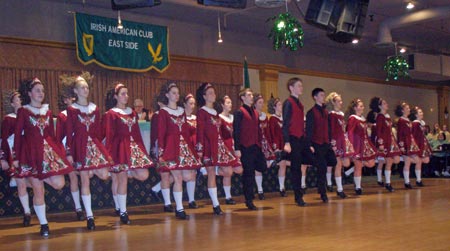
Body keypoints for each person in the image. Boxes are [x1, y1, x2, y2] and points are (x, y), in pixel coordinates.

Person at [13, 78, 73, 237]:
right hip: (31, 153)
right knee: (39, 190)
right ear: (29, 93)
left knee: (59, 183)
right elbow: (18, 135)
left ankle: (29, 179)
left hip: (47, 154)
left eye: (43, 90)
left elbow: (52, 136)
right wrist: (16, 157)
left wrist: (59, 154)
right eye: (38, 90)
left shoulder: (47, 111)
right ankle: (44, 224)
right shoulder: (23, 111)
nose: (41, 93)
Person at [64, 73, 113, 229]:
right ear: (76, 91)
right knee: (85, 179)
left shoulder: (94, 108)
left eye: (86, 87)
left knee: (105, 174)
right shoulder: (72, 109)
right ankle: (89, 215)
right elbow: (70, 131)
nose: (85, 90)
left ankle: (91, 170)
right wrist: (69, 152)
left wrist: (102, 149)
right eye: (82, 88)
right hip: (80, 145)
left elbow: (98, 131)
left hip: (94, 144)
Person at [104, 82, 153, 224]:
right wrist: (109, 154)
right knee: (121, 178)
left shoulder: (131, 112)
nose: (126, 96)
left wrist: (142, 152)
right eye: (123, 94)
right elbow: (109, 135)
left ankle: (128, 173)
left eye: (127, 93)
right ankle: (122, 211)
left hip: (133, 148)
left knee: (143, 174)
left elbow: (137, 133)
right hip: (119, 148)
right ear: (116, 97)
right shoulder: (111, 114)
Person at [157, 83, 202, 219]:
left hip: (183, 147)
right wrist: (161, 152)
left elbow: (186, 132)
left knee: (186, 177)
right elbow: (161, 133)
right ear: (167, 95)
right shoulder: (163, 112)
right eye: (173, 93)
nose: (176, 95)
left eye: (177, 93)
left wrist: (191, 149)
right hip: (171, 147)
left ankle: (179, 206)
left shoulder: (182, 111)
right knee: (177, 177)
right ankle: (180, 209)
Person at [196, 83, 239, 215]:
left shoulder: (216, 113)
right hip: (208, 146)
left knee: (228, 170)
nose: (212, 95)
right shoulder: (202, 112)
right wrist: (200, 149)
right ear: (204, 96)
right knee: (211, 174)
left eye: (213, 93)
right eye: (209, 93)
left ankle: (203, 171)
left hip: (219, 146)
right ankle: (216, 204)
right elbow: (200, 132)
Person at [1, 90, 32, 227]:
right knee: (21, 182)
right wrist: (3, 158)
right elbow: (4, 140)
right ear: (13, 103)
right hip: (15, 153)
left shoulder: (29, 115)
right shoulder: (9, 119)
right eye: (18, 99)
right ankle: (27, 212)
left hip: (29, 153)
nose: (21, 100)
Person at [56, 77, 84, 221]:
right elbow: (60, 136)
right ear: (65, 101)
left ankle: (86, 204)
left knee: (85, 175)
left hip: (80, 147)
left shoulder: (82, 111)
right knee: (73, 176)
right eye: (68, 98)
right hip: (68, 148)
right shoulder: (63, 116)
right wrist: (66, 153)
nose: (72, 100)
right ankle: (78, 208)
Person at [233, 88, 266, 210]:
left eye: (252, 95)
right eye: (249, 95)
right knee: (248, 174)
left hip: (255, 146)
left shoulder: (255, 112)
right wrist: (237, 148)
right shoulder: (239, 112)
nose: (252, 97)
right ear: (243, 98)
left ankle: (250, 197)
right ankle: (249, 199)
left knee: (262, 166)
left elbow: (257, 130)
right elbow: (236, 131)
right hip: (245, 147)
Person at [282, 77, 311, 206]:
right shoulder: (288, 103)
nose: (301, 88)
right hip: (293, 139)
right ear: (291, 88)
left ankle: (300, 193)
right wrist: (287, 142)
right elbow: (286, 123)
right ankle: (298, 196)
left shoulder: (300, 104)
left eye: (301, 85)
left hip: (300, 139)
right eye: (298, 86)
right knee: (296, 168)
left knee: (305, 163)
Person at [305, 88, 337, 203]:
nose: (324, 97)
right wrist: (309, 144)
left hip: (325, 144)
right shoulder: (311, 112)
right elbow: (308, 130)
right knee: (322, 167)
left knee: (333, 161)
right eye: (321, 95)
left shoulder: (325, 112)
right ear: (315, 97)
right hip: (316, 144)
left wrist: (330, 141)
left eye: (324, 95)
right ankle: (323, 192)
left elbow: (328, 128)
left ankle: (321, 186)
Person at [325, 92, 355, 198]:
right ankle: (340, 189)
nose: (341, 102)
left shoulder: (341, 114)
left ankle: (341, 180)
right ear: (333, 102)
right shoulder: (331, 114)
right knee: (338, 165)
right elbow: (331, 130)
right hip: (336, 141)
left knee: (346, 163)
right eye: (339, 101)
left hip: (343, 140)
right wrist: (332, 143)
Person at [346, 98, 376, 195]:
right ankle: (358, 187)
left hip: (364, 144)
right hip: (356, 144)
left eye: (363, 106)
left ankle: (350, 170)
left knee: (371, 163)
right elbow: (350, 132)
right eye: (360, 106)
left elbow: (365, 133)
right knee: (358, 166)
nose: (363, 107)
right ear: (355, 108)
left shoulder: (362, 119)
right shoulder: (353, 118)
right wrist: (350, 146)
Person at [370, 97, 401, 192]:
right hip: (384, 141)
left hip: (390, 141)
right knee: (388, 161)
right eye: (384, 103)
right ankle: (387, 183)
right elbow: (379, 131)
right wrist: (381, 143)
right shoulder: (380, 116)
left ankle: (385, 181)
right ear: (380, 106)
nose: (386, 104)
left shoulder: (387, 116)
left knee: (393, 160)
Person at [218, 95, 243, 205]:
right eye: (227, 103)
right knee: (228, 172)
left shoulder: (233, 117)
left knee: (239, 170)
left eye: (231, 102)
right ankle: (228, 197)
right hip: (224, 146)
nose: (230, 105)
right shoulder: (219, 118)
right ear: (222, 105)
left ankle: (217, 170)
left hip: (234, 146)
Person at [253, 93, 275, 200]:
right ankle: (260, 190)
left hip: (265, 143)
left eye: (262, 103)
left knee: (268, 163)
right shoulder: (253, 115)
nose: (262, 105)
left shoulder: (264, 116)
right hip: (257, 143)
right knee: (258, 166)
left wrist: (270, 144)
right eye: (260, 102)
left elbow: (268, 132)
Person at [395, 102, 421, 189]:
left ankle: (414, 180)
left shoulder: (407, 120)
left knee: (417, 160)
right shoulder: (401, 120)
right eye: (407, 108)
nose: (409, 109)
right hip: (405, 143)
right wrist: (401, 145)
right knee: (407, 162)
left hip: (410, 143)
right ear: (402, 110)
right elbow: (400, 134)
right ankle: (407, 182)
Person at [182, 93, 201, 209]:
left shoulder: (195, 118)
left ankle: (191, 199)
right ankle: (158, 189)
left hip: (194, 147)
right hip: (184, 147)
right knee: (181, 174)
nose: (192, 106)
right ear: (184, 104)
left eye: (194, 103)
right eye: (190, 103)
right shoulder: (181, 117)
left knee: (193, 173)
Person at [268, 97, 289, 197]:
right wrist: (275, 147)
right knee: (282, 164)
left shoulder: (284, 118)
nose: (281, 107)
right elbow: (272, 133)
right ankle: (281, 187)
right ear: (274, 107)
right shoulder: (272, 119)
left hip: (285, 144)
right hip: (278, 145)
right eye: (279, 105)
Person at [409, 106, 431, 185]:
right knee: (419, 162)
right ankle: (418, 180)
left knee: (425, 160)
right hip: (418, 144)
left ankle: (418, 179)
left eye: (422, 112)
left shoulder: (421, 123)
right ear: (416, 115)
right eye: (420, 112)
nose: (422, 113)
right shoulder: (415, 123)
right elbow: (414, 135)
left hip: (423, 143)